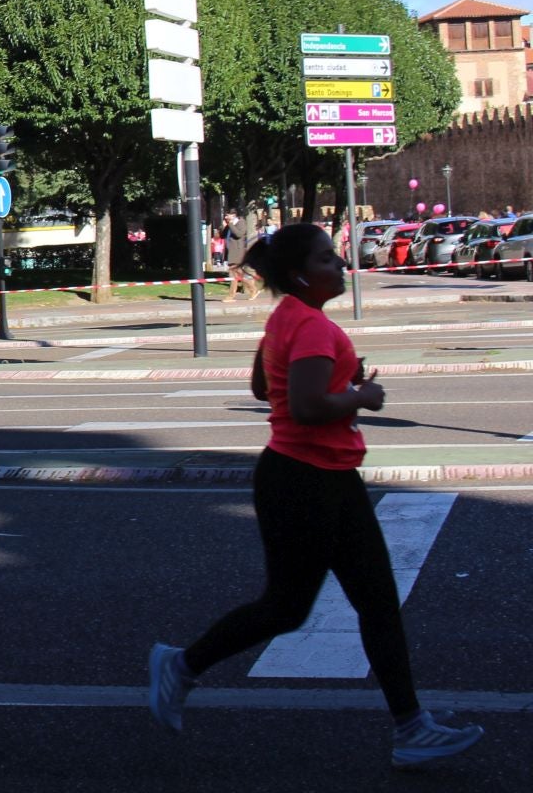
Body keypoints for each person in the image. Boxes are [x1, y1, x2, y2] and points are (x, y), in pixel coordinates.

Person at [146, 224, 483, 769]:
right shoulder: (308, 327)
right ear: (302, 275)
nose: (340, 264)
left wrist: (335, 378)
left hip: (320, 475)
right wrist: (362, 395)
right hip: (304, 481)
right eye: (328, 259)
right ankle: (181, 665)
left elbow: (262, 387)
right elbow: (302, 406)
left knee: (374, 602)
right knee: (287, 608)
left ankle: (412, 729)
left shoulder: (289, 319)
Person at [221, 213, 257, 301]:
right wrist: (225, 226)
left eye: (227, 215)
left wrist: (230, 224)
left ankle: (231, 296)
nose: (226, 217)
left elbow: (239, 234)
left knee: (233, 273)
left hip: (237, 252)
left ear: (233, 215)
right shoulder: (230, 224)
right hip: (231, 252)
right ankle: (253, 289)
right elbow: (222, 235)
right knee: (238, 274)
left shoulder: (241, 222)